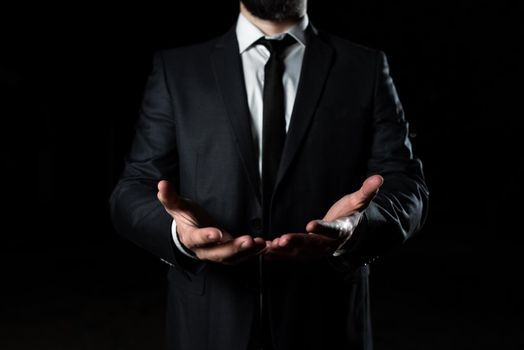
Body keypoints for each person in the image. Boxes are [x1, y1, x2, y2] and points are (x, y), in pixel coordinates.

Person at [109, 0, 429, 349]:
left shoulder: (364, 67)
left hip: (327, 323)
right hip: (209, 325)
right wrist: (179, 236)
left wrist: (356, 228)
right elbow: (132, 190)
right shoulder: (178, 69)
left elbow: (407, 187)